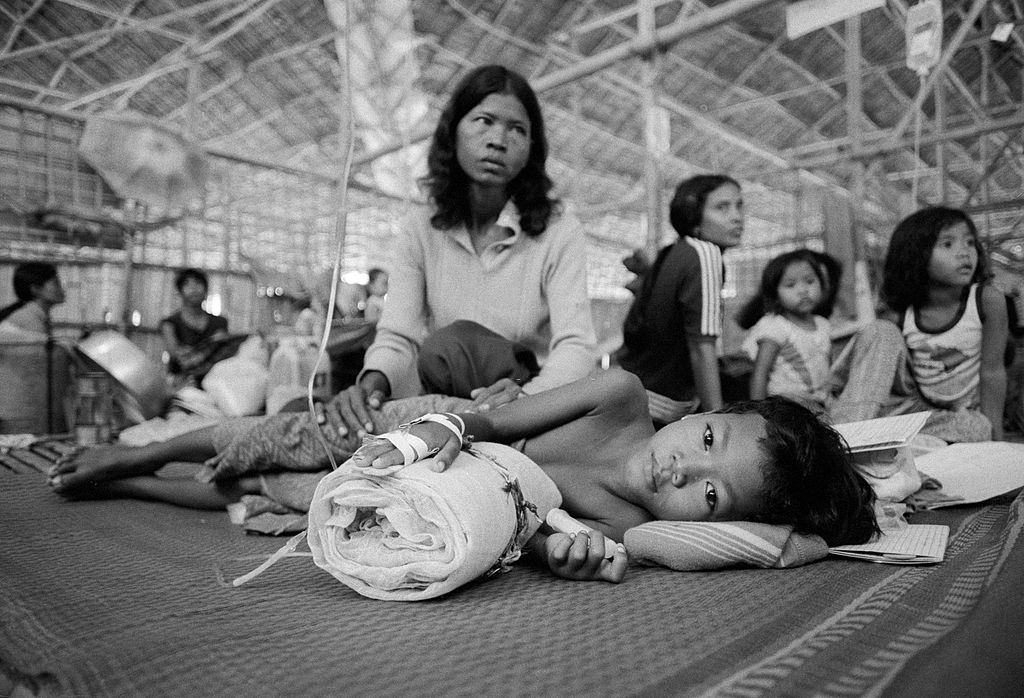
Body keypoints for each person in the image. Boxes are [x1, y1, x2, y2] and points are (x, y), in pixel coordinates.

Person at [48, 368, 878, 583]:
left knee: (267, 494)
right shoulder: (620, 398)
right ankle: (142, 449)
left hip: (434, 490)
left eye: (708, 489)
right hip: (430, 429)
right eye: (705, 435)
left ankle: (124, 482)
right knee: (276, 439)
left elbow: (535, 538)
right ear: (705, 410)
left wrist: (568, 557)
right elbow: (497, 424)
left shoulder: (626, 529)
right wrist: (440, 430)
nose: (682, 463)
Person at [329, 64, 597, 439]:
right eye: (484, 121)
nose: (498, 140)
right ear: (452, 132)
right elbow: (398, 335)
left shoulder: (558, 231)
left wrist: (528, 397)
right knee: (319, 425)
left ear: (532, 149)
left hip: (522, 409)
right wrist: (371, 385)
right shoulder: (421, 226)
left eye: (517, 129)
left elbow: (576, 345)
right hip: (441, 401)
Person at [828, 207, 1007, 442]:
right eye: (948, 244)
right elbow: (886, 373)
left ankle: (873, 435)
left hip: (949, 418)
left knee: (979, 430)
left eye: (970, 242)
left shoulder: (987, 300)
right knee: (881, 331)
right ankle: (845, 435)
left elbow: (992, 371)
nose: (965, 253)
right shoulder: (901, 313)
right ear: (916, 255)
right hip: (910, 405)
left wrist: (996, 438)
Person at [617, 174, 744, 424]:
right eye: (722, 207)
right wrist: (716, 421)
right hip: (670, 406)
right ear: (693, 216)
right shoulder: (705, 253)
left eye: (739, 205)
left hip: (641, 394)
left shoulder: (673, 252)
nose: (737, 216)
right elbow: (701, 347)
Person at [744, 249, 832, 409]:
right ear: (775, 294)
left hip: (822, 404)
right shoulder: (776, 326)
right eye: (791, 285)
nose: (803, 290)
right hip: (787, 408)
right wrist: (760, 414)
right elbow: (760, 374)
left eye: (810, 281)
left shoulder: (823, 324)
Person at [160, 268, 229, 382]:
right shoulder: (169, 324)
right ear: (180, 291)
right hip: (180, 382)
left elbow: (223, 352)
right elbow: (176, 353)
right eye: (187, 284)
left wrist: (196, 355)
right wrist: (208, 351)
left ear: (206, 290)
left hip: (214, 381)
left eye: (198, 283)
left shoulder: (220, 322)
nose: (194, 289)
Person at [0, 262, 66, 338]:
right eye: (56, 283)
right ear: (36, 289)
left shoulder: (36, 315)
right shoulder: (29, 320)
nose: (62, 287)